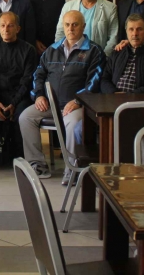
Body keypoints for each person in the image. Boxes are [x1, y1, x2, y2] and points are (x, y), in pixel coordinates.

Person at [19, 10, 105, 183]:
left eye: (75, 25)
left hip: (78, 106)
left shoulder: (94, 51)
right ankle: (37, 165)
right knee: (26, 117)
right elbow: (38, 75)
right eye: (67, 25)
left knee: (73, 125)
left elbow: (94, 82)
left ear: (83, 27)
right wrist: (39, 96)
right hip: (51, 104)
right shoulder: (52, 50)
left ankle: (71, 169)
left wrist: (78, 101)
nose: (70, 28)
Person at [0, 11, 38, 171]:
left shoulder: (28, 50)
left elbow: (27, 81)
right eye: (2, 26)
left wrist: (14, 103)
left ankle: (19, 156)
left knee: (22, 115)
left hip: (20, 97)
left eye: (10, 26)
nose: (6, 29)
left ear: (18, 28)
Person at [55, 0, 119, 56]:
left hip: (99, 56)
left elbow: (113, 38)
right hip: (71, 56)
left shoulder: (110, 8)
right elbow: (60, 33)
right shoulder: (68, 7)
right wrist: (62, 55)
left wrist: (103, 57)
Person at [100, 14, 144, 94]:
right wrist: (114, 93)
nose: (135, 33)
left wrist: (129, 95)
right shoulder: (117, 52)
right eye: (131, 29)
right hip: (114, 98)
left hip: (140, 100)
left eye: (139, 29)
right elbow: (104, 79)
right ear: (126, 31)